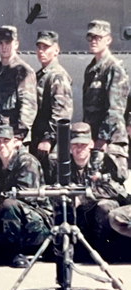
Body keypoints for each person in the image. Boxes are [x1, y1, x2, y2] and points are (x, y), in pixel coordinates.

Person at [0, 119, 52, 268]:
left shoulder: (26, 161)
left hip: (38, 220)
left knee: (9, 204)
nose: (1, 145)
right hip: (15, 219)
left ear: (15, 142)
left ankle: (16, 253)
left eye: (6, 140)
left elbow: (26, 195)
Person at [68, 122, 130, 253]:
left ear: (91, 144)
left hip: (102, 211)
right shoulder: (62, 166)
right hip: (80, 214)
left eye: (83, 145)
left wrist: (83, 197)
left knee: (104, 205)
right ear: (69, 147)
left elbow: (116, 190)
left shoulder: (104, 160)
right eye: (75, 145)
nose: (80, 149)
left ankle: (104, 250)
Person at [83, 20, 129, 167]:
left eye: (98, 38)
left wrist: (102, 139)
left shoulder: (114, 68)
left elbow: (115, 110)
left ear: (108, 40)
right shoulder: (91, 69)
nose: (93, 41)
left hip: (110, 141)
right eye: (90, 37)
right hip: (95, 140)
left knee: (110, 186)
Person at [31, 31, 73, 183]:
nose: (41, 51)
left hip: (51, 145)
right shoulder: (41, 75)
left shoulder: (57, 75)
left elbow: (62, 113)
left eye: (46, 47)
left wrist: (48, 138)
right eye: (39, 47)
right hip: (41, 143)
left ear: (56, 50)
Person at [0, 26, 37, 145]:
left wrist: (19, 136)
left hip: (14, 137)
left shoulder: (22, 71)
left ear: (16, 44)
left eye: (8, 42)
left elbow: (28, 105)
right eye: (0, 43)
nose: (4, 47)